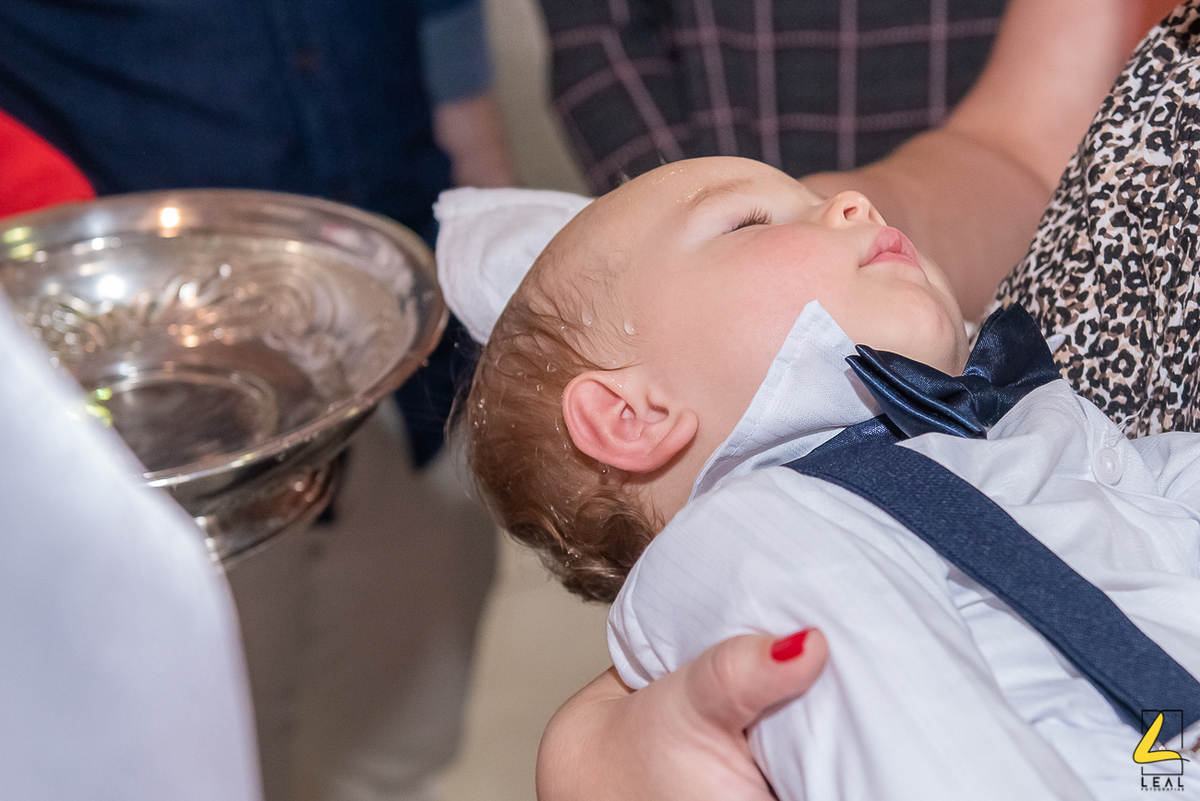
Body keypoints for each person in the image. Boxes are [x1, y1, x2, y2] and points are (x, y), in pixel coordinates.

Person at [435, 2, 1200, 796]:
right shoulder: (747, 533)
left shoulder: (995, 429)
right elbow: (924, 755)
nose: (852, 200)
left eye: (751, 220)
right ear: (634, 416)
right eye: (753, 220)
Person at [0, 2, 511, 800]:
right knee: (199, 758)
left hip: (413, 325)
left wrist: (503, 277)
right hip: (147, 409)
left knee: (399, 736)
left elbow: (446, 38)